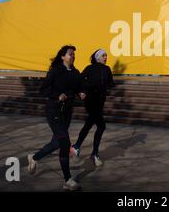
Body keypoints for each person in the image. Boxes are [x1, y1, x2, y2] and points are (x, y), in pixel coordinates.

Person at [27, 45, 85, 191]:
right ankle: (68, 180)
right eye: (70, 54)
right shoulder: (55, 71)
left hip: (67, 113)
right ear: (62, 57)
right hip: (54, 111)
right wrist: (57, 96)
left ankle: (34, 157)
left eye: (73, 54)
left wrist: (81, 93)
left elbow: (77, 87)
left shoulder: (75, 72)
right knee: (65, 143)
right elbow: (43, 89)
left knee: (56, 143)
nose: (73, 56)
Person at [70, 49, 114, 167]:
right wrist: (81, 91)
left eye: (106, 56)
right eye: (103, 56)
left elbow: (110, 83)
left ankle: (77, 146)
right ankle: (94, 153)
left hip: (100, 101)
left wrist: (107, 84)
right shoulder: (90, 68)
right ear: (97, 57)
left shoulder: (107, 69)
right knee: (101, 125)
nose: (105, 57)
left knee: (89, 123)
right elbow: (80, 80)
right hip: (90, 101)